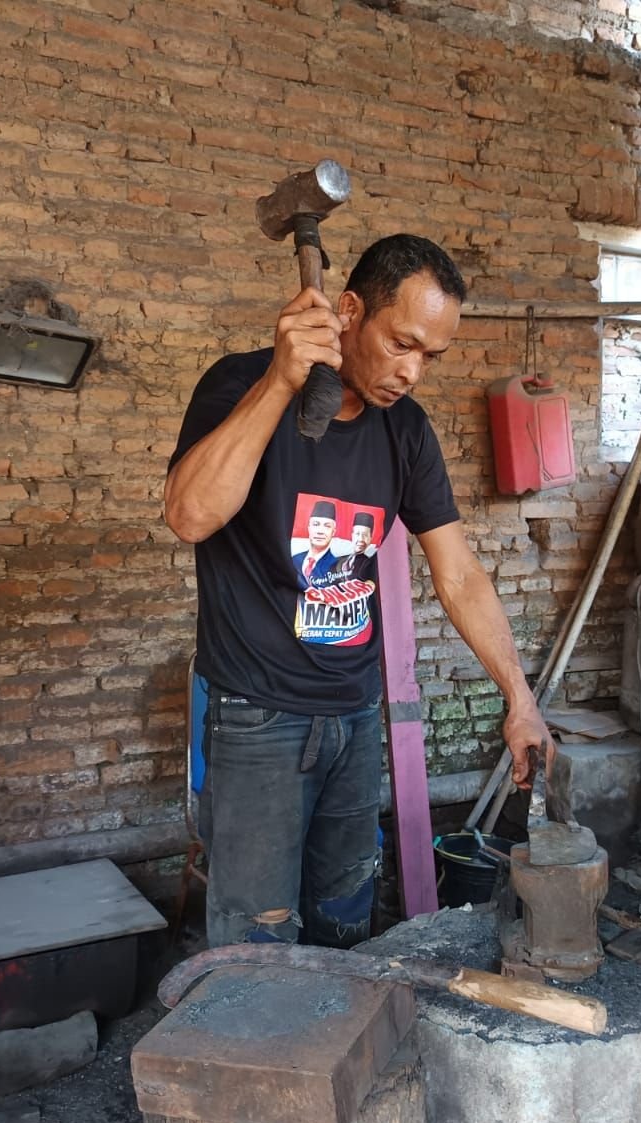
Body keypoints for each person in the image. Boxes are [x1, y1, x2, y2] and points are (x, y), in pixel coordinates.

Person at [164, 234, 551, 949]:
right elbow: (190, 515)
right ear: (348, 312)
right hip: (258, 717)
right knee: (258, 938)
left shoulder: (404, 430)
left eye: (430, 356)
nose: (412, 372)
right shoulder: (237, 386)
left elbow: (459, 572)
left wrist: (520, 699)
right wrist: (281, 381)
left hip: (351, 714)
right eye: (402, 343)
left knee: (346, 916)